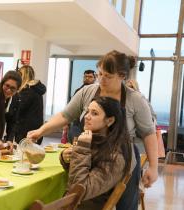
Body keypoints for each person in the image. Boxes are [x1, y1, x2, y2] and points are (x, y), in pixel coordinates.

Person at [27, 50, 158, 210]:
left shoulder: (135, 99)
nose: (102, 79)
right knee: (88, 198)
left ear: (122, 76)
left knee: (125, 205)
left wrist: (153, 167)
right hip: (91, 151)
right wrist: (41, 131)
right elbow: (65, 115)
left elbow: (148, 133)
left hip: (121, 156)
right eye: (100, 74)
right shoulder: (88, 91)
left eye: (108, 76)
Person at [60, 97, 132, 209]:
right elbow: (78, 173)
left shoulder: (115, 156)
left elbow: (79, 191)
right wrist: (65, 158)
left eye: (94, 113)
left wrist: (81, 150)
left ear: (110, 120)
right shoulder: (97, 142)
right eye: (87, 111)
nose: (87, 116)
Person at [6, 65, 46, 144]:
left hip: (25, 132)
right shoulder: (37, 90)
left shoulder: (26, 91)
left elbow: (16, 111)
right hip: (36, 131)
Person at [69, 69, 97, 142]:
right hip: (77, 121)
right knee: (75, 140)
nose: (87, 78)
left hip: (91, 121)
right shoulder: (78, 91)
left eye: (90, 77)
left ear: (95, 78)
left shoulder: (97, 91)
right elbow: (71, 107)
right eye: (85, 76)